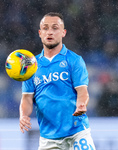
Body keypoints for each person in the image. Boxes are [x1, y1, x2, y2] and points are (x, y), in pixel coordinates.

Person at [19, 12, 96, 150]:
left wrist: (81, 105)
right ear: (40, 33)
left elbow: (82, 91)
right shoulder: (30, 66)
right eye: (45, 28)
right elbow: (27, 98)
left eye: (55, 28)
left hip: (77, 133)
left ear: (63, 32)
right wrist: (23, 115)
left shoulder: (74, 60)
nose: (50, 32)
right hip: (49, 139)